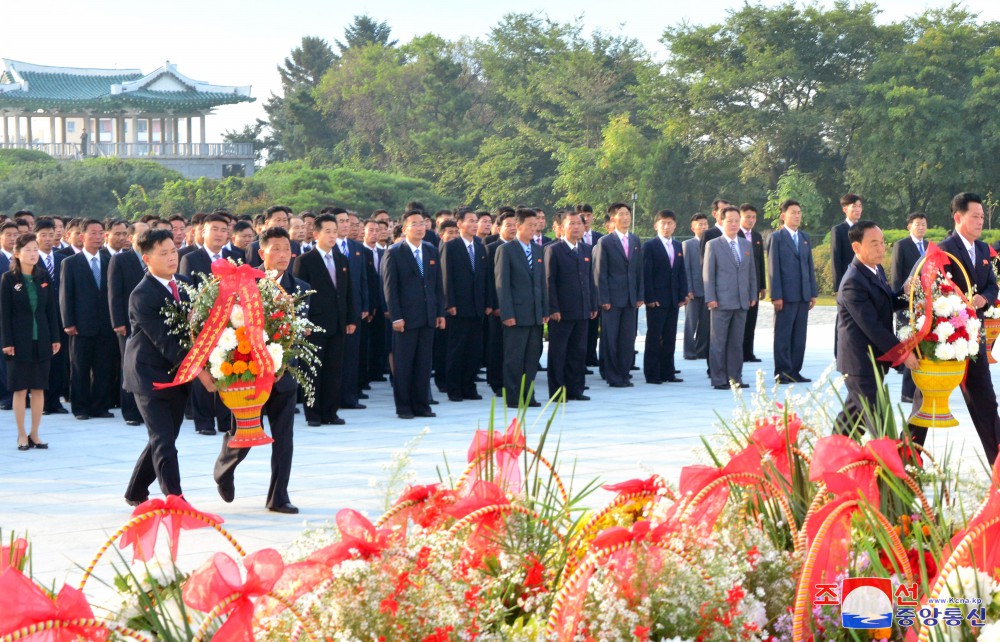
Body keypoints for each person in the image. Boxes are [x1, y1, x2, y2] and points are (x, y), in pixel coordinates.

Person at [215, 227, 305, 514]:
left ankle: (279, 496)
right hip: (247, 374)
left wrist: (283, 363)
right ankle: (224, 469)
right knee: (243, 436)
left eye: (286, 248)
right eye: (275, 248)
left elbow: (300, 334)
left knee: (284, 439)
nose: (282, 254)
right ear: (261, 252)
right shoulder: (243, 281)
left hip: (282, 375)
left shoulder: (299, 287)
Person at [909, 193, 1000, 466]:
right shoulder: (943, 249)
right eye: (975, 216)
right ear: (958, 217)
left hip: (973, 342)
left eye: (983, 217)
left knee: (986, 403)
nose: (980, 221)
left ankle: (997, 463)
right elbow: (921, 283)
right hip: (943, 342)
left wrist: (984, 297)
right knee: (924, 405)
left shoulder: (983, 250)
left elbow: (992, 285)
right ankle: (906, 463)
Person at [123, 229, 212, 506]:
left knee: (163, 438)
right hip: (149, 376)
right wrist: (202, 373)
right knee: (164, 440)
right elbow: (166, 343)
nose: (172, 257)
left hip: (178, 374)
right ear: (147, 259)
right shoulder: (142, 295)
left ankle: (135, 491)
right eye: (163, 253)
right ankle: (175, 497)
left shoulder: (184, 284)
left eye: (173, 250)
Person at [834, 221, 918, 437]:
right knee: (881, 424)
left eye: (882, 243)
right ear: (856, 247)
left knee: (851, 423)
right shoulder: (853, 282)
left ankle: (831, 461)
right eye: (874, 244)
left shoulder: (875, 268)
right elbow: (872, 327)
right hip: (860, 364)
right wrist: (902, 353)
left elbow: (885, 302)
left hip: (873, 360)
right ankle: (888, 468)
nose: (881, 249)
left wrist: (904, 294)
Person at [293, 213, 357, 427]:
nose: (332, 235)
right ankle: (313, 413)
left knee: (334, 370)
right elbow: (299, 296)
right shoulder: (305, 260)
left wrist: (350, 318)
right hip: (314, 325)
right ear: (316, 234)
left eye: (334, 231)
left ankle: (331, 412)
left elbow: (347, 292)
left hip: (338, 324)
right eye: (327, 231)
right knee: (312, 370)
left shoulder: (341, 258)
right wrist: (304, 323)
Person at [383, 210, 446, 419]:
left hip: (427, 316)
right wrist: (396, 317)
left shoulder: (430, 250)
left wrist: (439, 312)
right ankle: (404, 407)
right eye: (415, 224)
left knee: (423, 364)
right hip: (405, 319)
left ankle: (422, 405)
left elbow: (437, 284)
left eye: (422, 224)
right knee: (404, 364)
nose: (420, 228)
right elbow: (390, 288)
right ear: (404, 229)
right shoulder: (394, 252)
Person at [1, 233, 60, 450]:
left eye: (35, 249)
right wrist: (7, 341)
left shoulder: (43, 276)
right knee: (19, 388)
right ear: (17, 253)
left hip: (42, 339)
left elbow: (50, 310)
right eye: (28, 249)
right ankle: (21, 434)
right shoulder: (8, 279)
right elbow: (4, 314)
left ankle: (35, 433)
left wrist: (55, 337)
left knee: (38, 388)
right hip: (18, 341)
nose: (33, 253)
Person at [179, 213, 234, 435]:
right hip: (202, 325)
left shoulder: (234, 256)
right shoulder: (191, 258)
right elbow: (185, 291)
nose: (220, 234)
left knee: (227, 369)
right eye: (215, 229)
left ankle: (225, 419)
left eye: (223, 229)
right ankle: (203, 422)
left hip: (229, 325)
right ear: (203, 232)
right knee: (204, 373)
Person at [59, 218, 116, 420]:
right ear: (82, 236)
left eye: (101, 233)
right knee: (80, 367)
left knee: (103, 367)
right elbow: (65, 294)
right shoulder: (71, 263)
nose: (97, 237)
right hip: (80, 325)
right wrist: (68, 322)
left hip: (105, 324)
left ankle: (100, 406)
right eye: (93, 233)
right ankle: (80, 407)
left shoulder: (110, 261)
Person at [495, 208, 548, 406]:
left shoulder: (537, 249)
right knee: (514, 358)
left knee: (532, 357)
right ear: (518, 226)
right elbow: (503, 284)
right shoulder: (506, 250)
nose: (534, 229)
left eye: (536, 225)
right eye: (530, 225)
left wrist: (545, 310)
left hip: (534, 314)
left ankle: (529, 395)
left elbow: (542, 283)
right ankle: (513, 397)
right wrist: (507, 313)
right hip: (516, 314)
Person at [545, 210, 596, 401]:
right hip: (562, 312)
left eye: (579, 224)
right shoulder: (554, 250)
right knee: (559, 353)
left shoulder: (585, 249)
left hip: (582, 310)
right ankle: (558, 392)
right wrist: (553, 308)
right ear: (561, 228)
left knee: (578, 352)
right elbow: (549, 282)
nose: (576, 227)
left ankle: (575, 389)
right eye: (572, 224)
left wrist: (592, 304)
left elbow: (590, 279)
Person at [704, 206, 757, 390]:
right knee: (718, 342)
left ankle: (735, 377)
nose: (734, 224)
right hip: (721, 301)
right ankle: (719, 378)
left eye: (736, 220)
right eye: (730, 221)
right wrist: (710, 297)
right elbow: (708, 274)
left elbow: (751, 273)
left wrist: (752, 295)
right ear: (722, 221)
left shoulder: (745, 244)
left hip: (741, 301)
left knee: (736, 342)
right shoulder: (713, 244)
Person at [440, 209, 490, 402]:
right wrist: (449, 303)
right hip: (458, 306)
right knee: (457, 348)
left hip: (477, 306)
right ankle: (454, 388)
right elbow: (446, 277)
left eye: (476, 221)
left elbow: (485, 278)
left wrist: (487, 303)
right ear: (459, 224)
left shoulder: (479, 246)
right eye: (470, 221)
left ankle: (469, 386)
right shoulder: (451, 246)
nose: (475, 224)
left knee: (474, 349)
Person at [767, 199, 818, 384]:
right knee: (783, 335)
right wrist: (776, 295)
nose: (797, 216)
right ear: (783, 216)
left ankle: (795, 371)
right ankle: (782, 372)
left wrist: (812, 292)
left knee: (799, 336)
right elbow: (773, 269)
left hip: (803, 295)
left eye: (799, 212)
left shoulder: (804, 237)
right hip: (785, 296)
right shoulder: (777, 238)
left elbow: (809, 266)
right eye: (793, 212)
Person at [593, 203, 643, 388]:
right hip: (612, 300)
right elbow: (600, 273)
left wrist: (639, 295)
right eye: (621, 214)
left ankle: (623, 373)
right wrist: (603, 299)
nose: (626, 217)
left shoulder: (635, 240)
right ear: (613, 219)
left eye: (627, 214)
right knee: (611, 338)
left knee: (627, 338)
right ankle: (612, 375)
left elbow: (638, 271)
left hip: (630, 298)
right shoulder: (605, 242)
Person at [108, 221, 150, 426]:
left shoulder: (152, 259)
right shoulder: (120, 260)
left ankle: (145, 409)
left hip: (149, 322)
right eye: (141, 235)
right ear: (130, 237)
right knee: (129, 366)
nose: (145, 239)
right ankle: (130, 411)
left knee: (145, 365)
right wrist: (117, 321)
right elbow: (114, 293)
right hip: (126, 322)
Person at [643, 210, 689, 384]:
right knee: (655, 336)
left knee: (670, 336)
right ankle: (652, 373)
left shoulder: (677, 246)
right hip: (656, 299)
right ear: (656, 225)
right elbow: (646, 274)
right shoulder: (650, 246)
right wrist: (650, 297)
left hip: (673, 298)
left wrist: (683, 293)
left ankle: (667, 371)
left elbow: (680, 272)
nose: (666, 226)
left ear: (675, 225)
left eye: (670, 223)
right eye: (663, 223)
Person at [889, 212, 928, 403]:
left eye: (924, 224)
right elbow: (897, 275)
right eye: (918, 224)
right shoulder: (901, 246)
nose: (921, 228)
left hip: (925, 303)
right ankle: (906, 386)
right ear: (909, 226)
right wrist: (901, 301)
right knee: (908, 338)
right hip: (907, 302)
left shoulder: (929, 246)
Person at [33, 218, 69, 415]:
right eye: (43, 235)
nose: (48, 238)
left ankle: (56, 400)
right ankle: (44, 401)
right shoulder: (30, 260)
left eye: (51, 233)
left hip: (60, 317)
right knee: (42, 361)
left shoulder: (63, 258)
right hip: (40, 318)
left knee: (59, 360)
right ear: (36, 236)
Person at [485, 211, 517, 396]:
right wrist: (494, 305)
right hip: (498, 308)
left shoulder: (520, 247)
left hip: (517, 306)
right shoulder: (491, 249)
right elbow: (490, 280)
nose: (512, 229)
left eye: (515, 225)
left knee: (513, 348)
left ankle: (511, 380)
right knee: (497, 346)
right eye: (508, 225)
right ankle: (496, 381)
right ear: (498, 229)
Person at [738, 204, 766, 363]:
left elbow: (760, 262)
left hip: (753, 285)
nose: (751, 220)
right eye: (747, 217)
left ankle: (749, 352)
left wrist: (762, 285)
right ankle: (739, 352)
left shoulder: (756, 236)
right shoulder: (736, 235)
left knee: (751, 320)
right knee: (741, 320)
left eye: (753, 217)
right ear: (741, 217)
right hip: (740, 285)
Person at [683, 213, 710, 361]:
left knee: (705, 324)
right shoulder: (688, 244)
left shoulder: (711, 243)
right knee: (690, 323)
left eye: (705, 224)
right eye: (700, 224)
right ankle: (689, 351)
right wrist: (688, 289)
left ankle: (701, 350)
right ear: (693, 227)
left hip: (708, 291)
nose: (703, 226)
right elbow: (686, 268)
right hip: (693, 290)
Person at [0, 221, 18, 410]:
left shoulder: (22, 260)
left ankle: (18, 392)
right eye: (9, 235)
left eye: (16, 235)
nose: (13, 238)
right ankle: (6, 396)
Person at [831, 194, 863, 293]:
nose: (858, 209)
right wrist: (838, 286)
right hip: (848, 280)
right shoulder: (838, 230)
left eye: (860, 206)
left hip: (864, 279)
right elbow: (836, 259)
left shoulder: (865, 229)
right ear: (845, 209)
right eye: (854, 206)